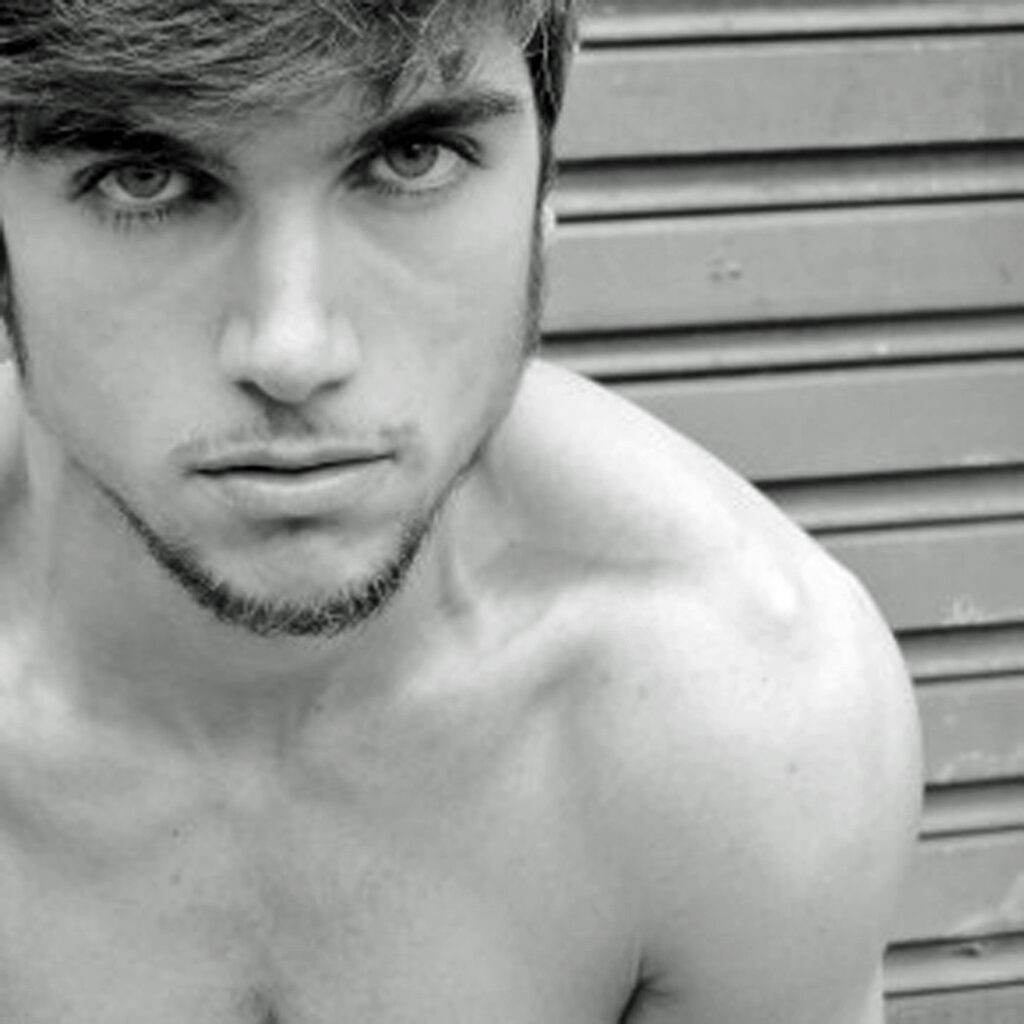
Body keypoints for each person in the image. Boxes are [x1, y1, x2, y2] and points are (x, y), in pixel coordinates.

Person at [0, 1, 922, 1021]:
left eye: (411, 158)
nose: (293, 351)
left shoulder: (746, 713)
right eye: (144, 177)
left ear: (542, 204)